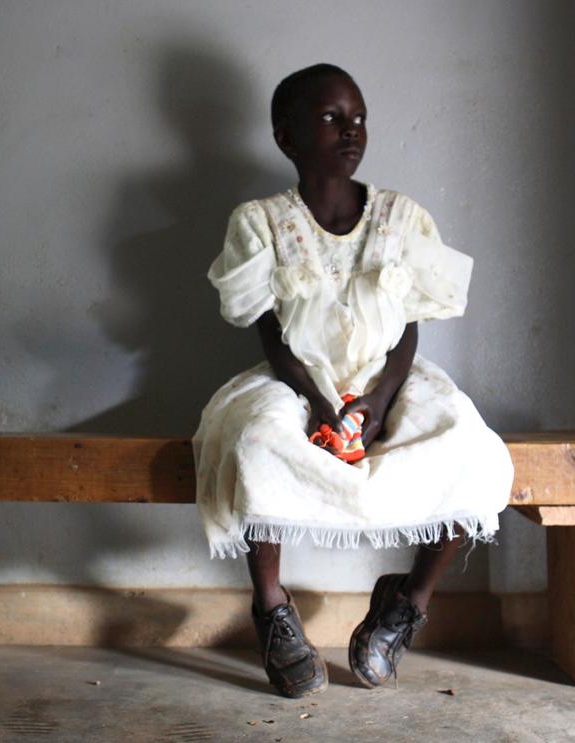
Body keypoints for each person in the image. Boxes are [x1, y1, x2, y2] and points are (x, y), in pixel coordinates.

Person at [192, 63, 514, 698]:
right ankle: (273, 609)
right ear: (287, 138)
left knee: (469, 450)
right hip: (296, 380)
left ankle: (406, 603)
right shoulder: (260, 223)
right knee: (255, 444)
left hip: (389, 377)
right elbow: (271, 334)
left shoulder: (402, 218)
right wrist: (315, 402)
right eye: (332, 118)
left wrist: (381, 397)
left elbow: (410, 328)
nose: (350, 131)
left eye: (359, 118)